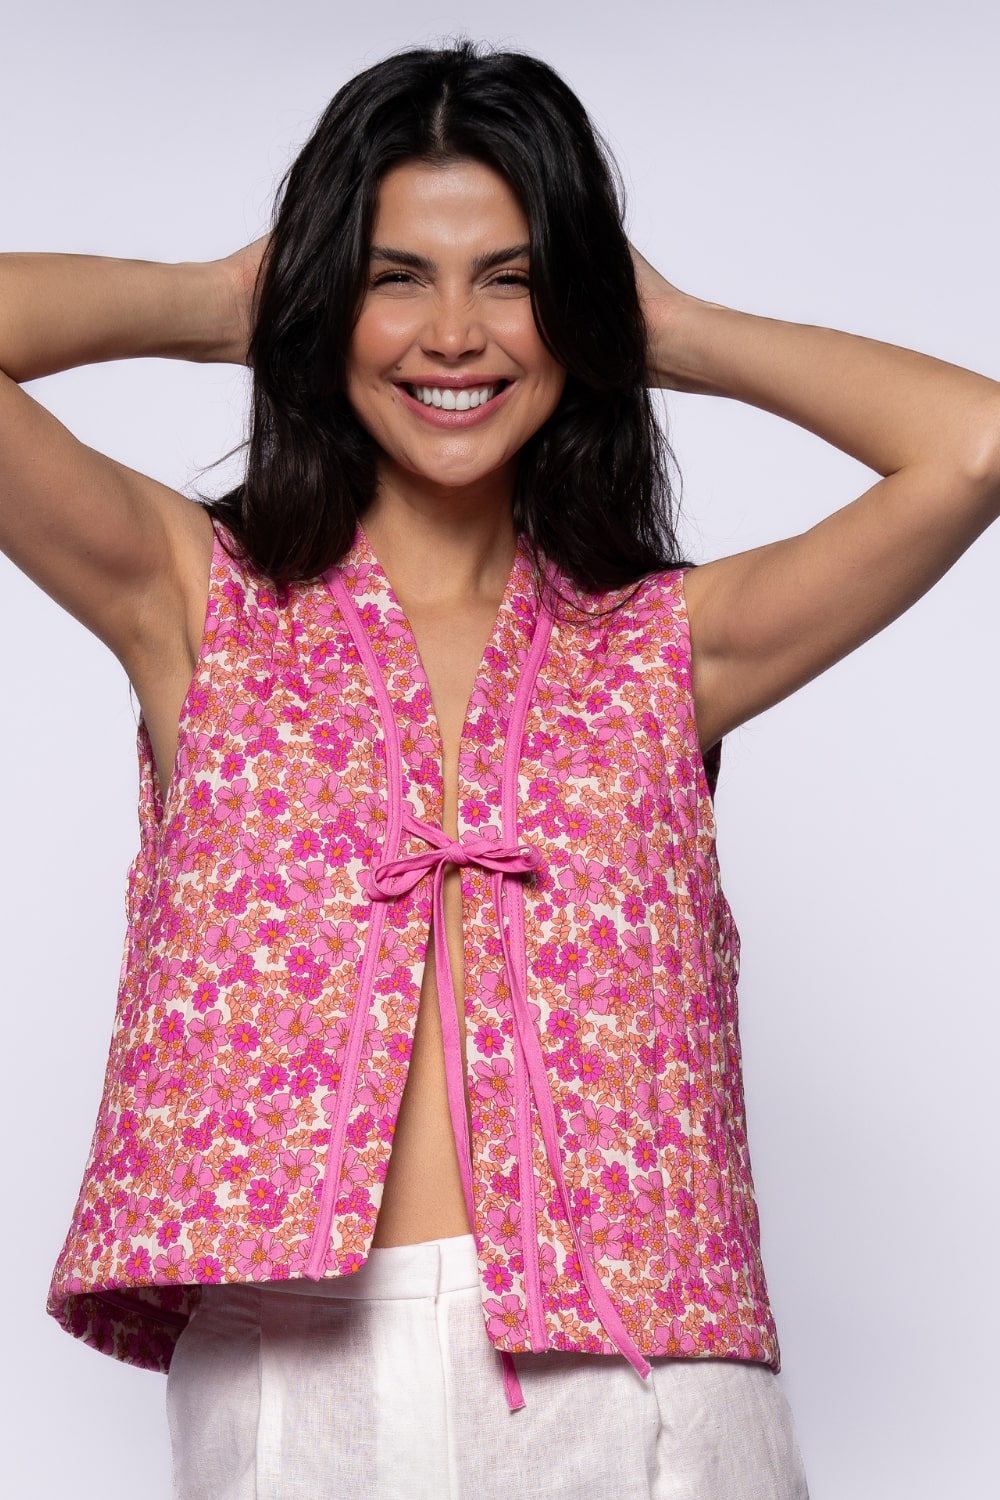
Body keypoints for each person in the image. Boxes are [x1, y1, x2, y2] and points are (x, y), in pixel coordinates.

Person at [2, 39, 997, 1500]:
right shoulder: (196, 602)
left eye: (515, 280)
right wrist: (222, 302)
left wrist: (665, 324)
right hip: (298, 1377)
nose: (455, 334)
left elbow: (972, 447)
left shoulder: (670, 645)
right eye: (396, 277)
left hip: (646, 1372)